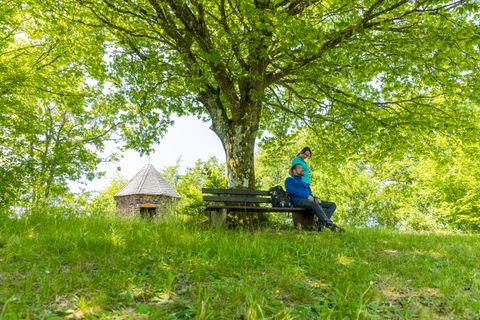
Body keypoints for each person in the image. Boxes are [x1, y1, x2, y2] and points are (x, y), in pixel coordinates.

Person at [285, 164, 343, 232]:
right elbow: (290, 190)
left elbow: (310, 194)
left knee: (332, 205)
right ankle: (331, 226)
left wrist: (315, 198)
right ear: (294, 171)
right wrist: (306, 196)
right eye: (300, 168)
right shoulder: (289, 180)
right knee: (313, 203)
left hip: (309, 201)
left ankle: (320, 224)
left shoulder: (305, 183)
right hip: (298, 201)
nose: (302, 169)